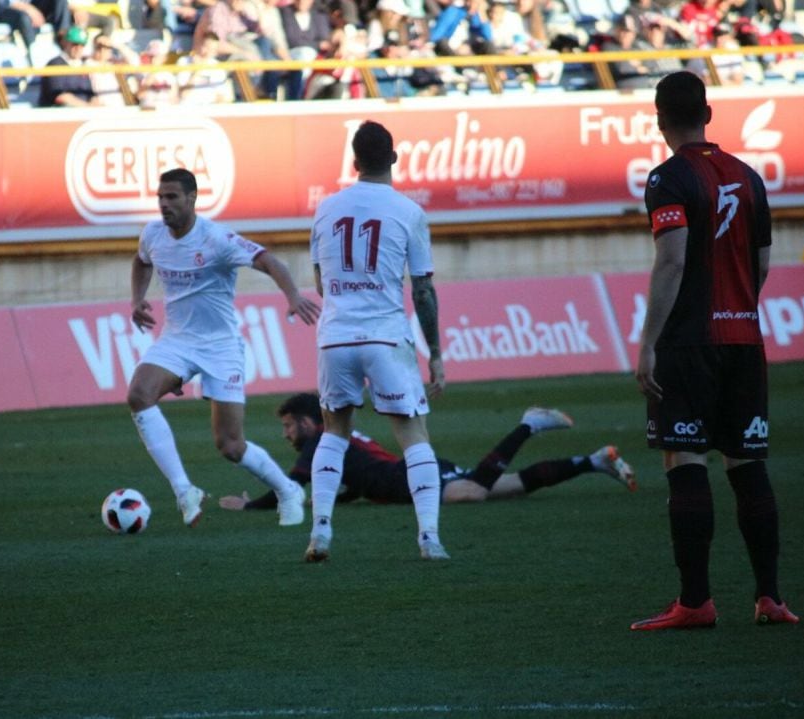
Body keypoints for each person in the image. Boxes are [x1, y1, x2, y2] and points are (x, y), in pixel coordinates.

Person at [632, 71, 798, 631]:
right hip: (745, 340)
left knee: (686, 460)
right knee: (748, 463)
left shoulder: (668, 179)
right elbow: (763, 265)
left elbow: (673, 261)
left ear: (659, 119)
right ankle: (770, 598)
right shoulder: (749, 178)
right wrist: (738, 310)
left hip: (690, 343)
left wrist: (648, 342)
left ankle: (695, 602)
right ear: (708, 113)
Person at [127, 168, 321, 529]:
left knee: (231, 446)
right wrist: (137, 299)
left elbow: (268, 261)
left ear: (192, 198)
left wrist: (293, 296)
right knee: (139, 394)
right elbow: (141, 261)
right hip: (177, 341)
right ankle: (185, 490)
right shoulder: (153, 234)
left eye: (172, 197)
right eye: (160, 197)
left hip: (220, 347)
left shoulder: (216, 239)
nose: (164, 204)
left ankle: (288, 490)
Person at [306, 120, 446, 563]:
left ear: (353, 162)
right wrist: (436, 354)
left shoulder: (326, 208)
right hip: (385, 335)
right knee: (413, 435)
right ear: (394, 158)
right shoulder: (409, 212)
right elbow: (422, 289)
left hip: (335, 338)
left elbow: (321, 282)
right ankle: (428, 538)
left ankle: (321, 532)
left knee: (334, 432)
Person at [218, 393, 637, 512]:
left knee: (475, 492)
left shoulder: (317, 443)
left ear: (309, 423)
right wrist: (348, 498)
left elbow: (289, 487)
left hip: (410, 478)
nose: (287, 433)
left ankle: (528, 423)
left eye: (289, 424)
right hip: (415, 473)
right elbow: (359, 473)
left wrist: (249, 505)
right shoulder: (340, 440)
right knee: (506, 488)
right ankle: (593, 461)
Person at [38, 25, 98, 107]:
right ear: (66, 43)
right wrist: (87, 106)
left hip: (84, 112)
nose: (78, 48)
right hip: (60, 113)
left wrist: (94, 102)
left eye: (82, 45)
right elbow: (60, 97)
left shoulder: (83, 65)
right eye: (75, 44)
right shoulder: (55, 64)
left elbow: (90, 93)